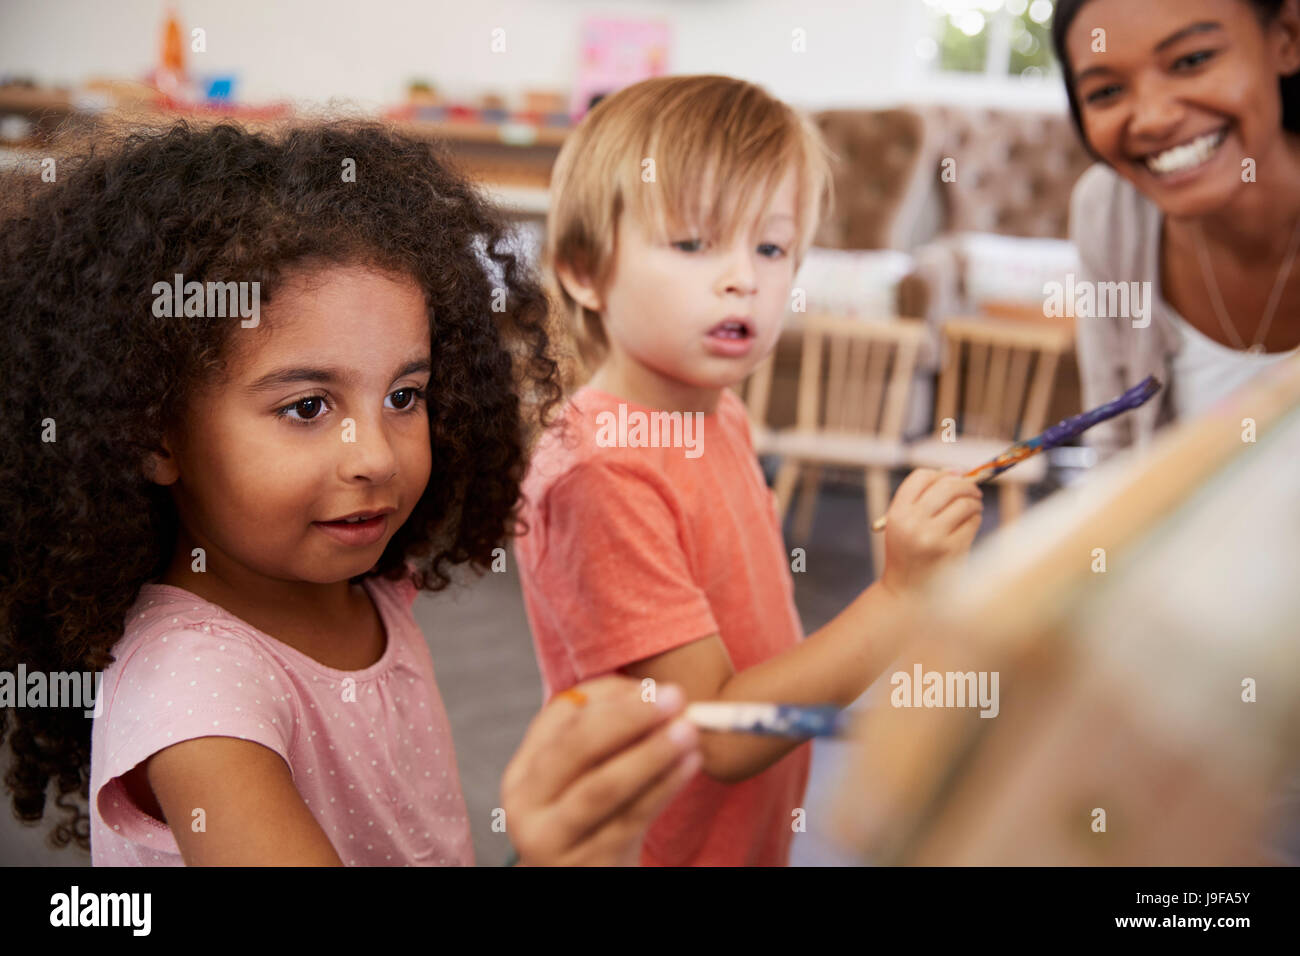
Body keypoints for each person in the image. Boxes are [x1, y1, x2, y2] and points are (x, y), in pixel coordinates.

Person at [0, 120, 701, 866]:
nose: (373, 456)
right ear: (151, 434)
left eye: (405, 396)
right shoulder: (196, 700)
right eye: (307, 408)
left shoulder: (370, 586)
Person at [515, 75, 984, 866]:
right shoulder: (599, 474)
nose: (745, 277)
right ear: (585, 271)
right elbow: (723, 730)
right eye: (694, 243)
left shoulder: (719, 411)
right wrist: (901, 594)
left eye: (770, 247)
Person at [1054, 0, 1300, 461]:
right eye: (1106, 91)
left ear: (1287, 39)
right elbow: (1114, 447)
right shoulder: (1109, 212)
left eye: (1192, 60)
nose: (1153, 118)